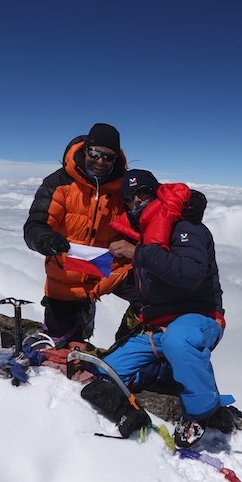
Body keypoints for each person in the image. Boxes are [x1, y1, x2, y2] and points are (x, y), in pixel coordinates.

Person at [80, 169, 234, 447]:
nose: (137, 200)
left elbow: (189, 275)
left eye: (144, 193)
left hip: (200, 319)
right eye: (129, 197)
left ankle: (202, 412)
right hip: (158, 329)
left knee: (179, 340)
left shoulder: (186, 229)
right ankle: (163, 371)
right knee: (105, 372)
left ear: (157, 193)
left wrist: (137, 253)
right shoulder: (145, 235)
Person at [23, 123, 140, 343]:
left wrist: (184, 205)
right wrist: (44, 239)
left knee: (156, 299)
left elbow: (152, 205)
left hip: (109, 265)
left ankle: (127, 350)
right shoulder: (59, 183)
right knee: (62, 343)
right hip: (67, 270)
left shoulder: (123, 187)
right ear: (86, 149)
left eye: (108, 157)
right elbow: (35, 224)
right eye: (95, 153)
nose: (101, 161)